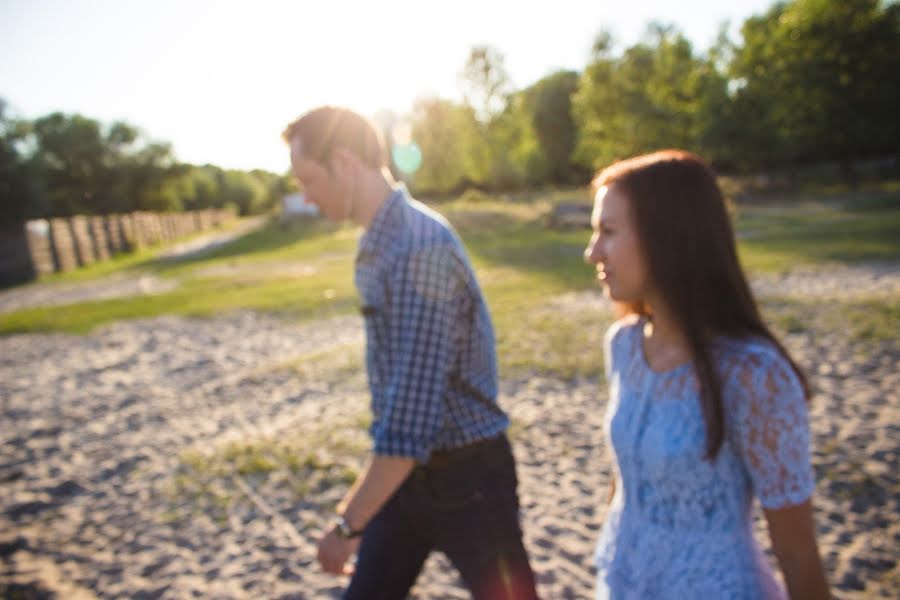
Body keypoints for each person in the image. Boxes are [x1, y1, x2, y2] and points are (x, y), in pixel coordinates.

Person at [283, 106, 538, 599]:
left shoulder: (419, 248)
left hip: (469, 481)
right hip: (406, 482)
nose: (305, 196)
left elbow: (410, 423)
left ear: (345, 162)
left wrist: (347, 526)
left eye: (309, 179)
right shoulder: (377, 243)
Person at [582, 150, 830, 599]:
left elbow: (796, 553)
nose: (591, 252)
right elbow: (627, 481)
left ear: (667, 237)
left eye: (608, 232)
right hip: (624, 581)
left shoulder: (754, 374)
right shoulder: (623, 346)